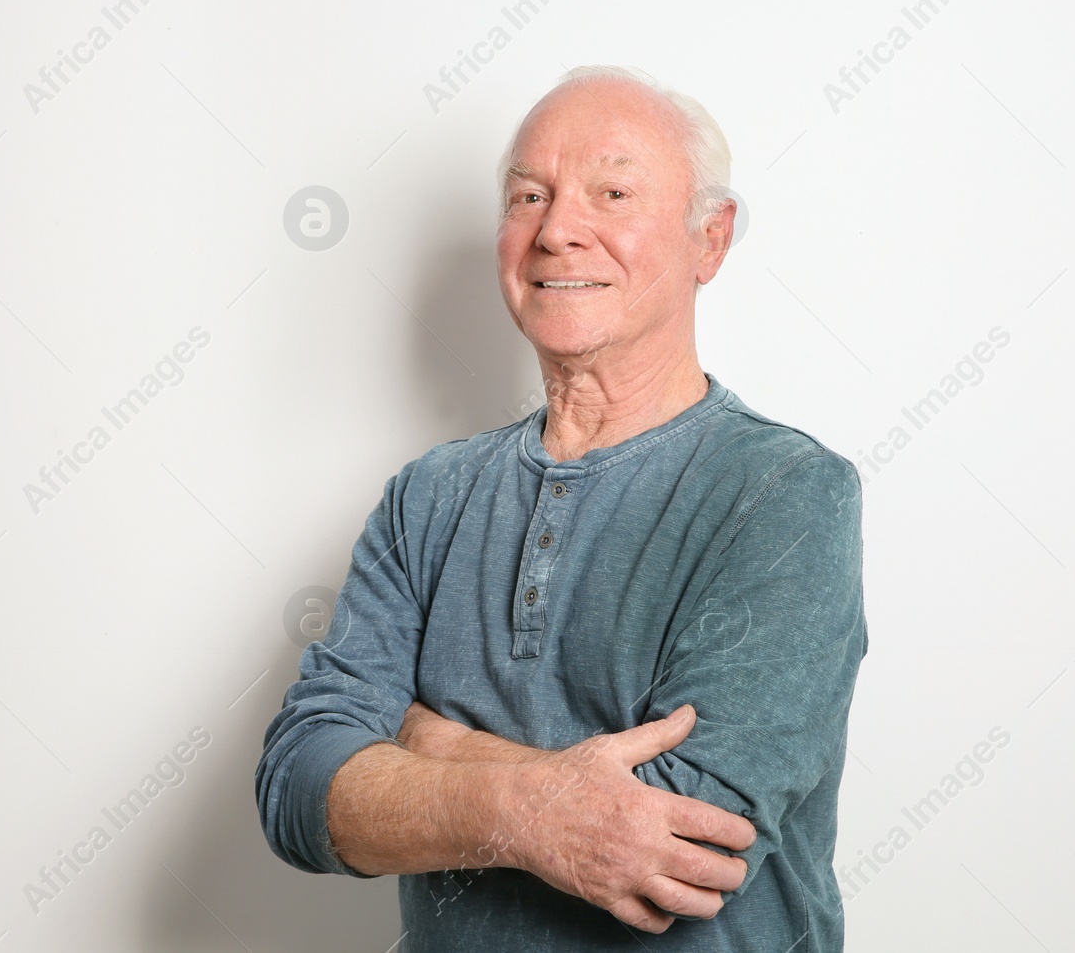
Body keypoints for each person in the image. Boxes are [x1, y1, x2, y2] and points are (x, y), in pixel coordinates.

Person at [255, 64, 868, 951]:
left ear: (711, 239)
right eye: (528, 196)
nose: (558, 232)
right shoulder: (426, 497)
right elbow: (298, 786)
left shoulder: (784, 494)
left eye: (612, 192)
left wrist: (423, 742)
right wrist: (540, 806)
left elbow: (682, 839)